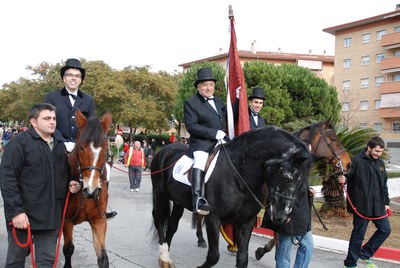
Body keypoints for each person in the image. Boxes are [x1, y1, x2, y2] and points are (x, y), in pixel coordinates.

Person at [0, 103, 81, 267]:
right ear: (34, 122)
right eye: (46, 118)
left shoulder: (59, 145)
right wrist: (16, 212)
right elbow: (7, 179)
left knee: (47, 262)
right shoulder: (18, 143)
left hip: (51, 216)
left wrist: (70, 183)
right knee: (16, 262)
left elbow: (61, 175)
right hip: (23, 216)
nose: (52, 122)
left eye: (54, 118)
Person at [45, 58, 117, 220]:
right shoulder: (52, 97)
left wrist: (83, 143)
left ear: (81, 80)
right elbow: (49, 121)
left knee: (106, 170)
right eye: (70, 75)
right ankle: (50, 204)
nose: (73, 78)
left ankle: (101, 205)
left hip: (81, 145)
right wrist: (63, 142)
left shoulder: (88, 100)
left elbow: (92, 125)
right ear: (64, 78)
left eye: (77, 76)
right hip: (58, 143)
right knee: (51, 167)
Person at [338, 136, 391, 268]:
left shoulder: (380, 164)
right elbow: (347, 174)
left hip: (378, 205)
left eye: (380, 152)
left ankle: (365, 253)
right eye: (377, 151)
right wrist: (343, 178)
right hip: (361, 206)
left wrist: (386, 202)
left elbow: (384, 185)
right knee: (358, 235)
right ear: (369, 148)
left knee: (385, 230)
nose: (379, 154)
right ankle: (350, 263)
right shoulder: (356, 161)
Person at [184, 67, 227, 215]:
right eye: (205, 85)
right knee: (201, 161)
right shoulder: (191, 103)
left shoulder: (219, 102)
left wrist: (239, 98)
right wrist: (214, 133)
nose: (209, 88)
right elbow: (192, 126)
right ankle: (197, 199)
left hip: (221, 141)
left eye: (211, 85)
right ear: (198, 87)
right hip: (201, 143)